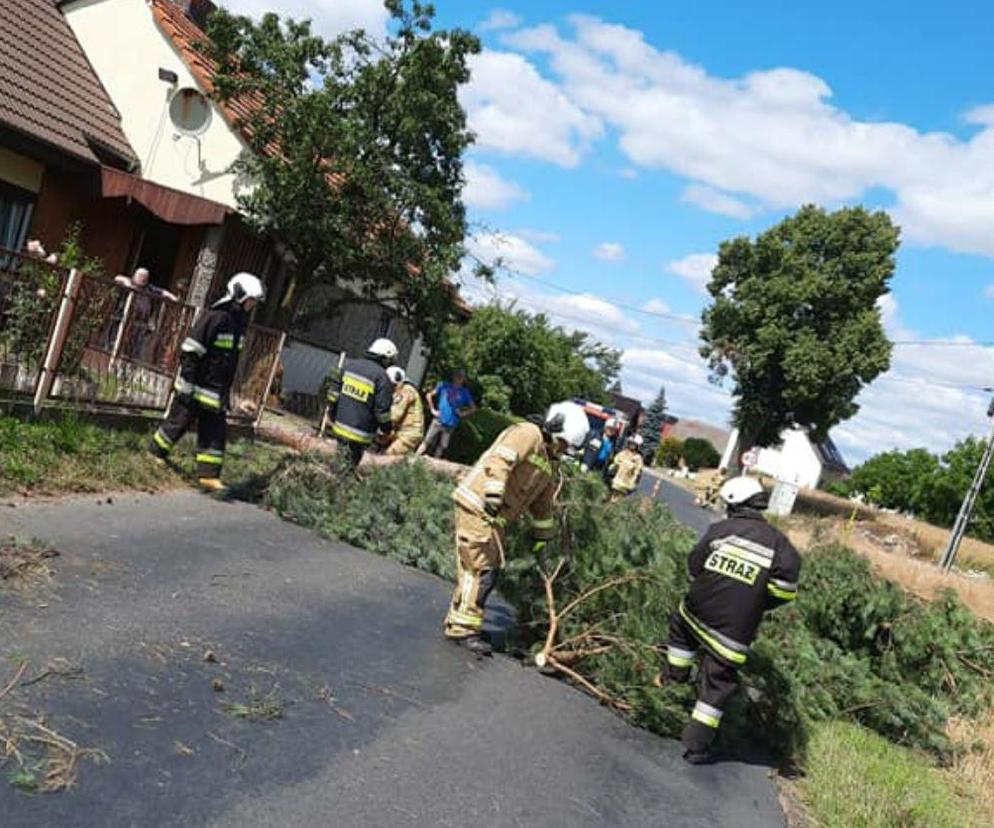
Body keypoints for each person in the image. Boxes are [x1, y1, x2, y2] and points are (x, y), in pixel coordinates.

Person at [657, 476, 801, 764]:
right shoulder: (780, 545)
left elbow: (694, 565)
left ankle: (674, 681)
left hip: (696, 611)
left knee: (681, 634)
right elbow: (785, 591)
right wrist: (755, 601)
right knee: (717, 683)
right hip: (734, 631)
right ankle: (696, 745)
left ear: (733, 503)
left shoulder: (721, 530)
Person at [444, 401, 590, 656]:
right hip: (478, 505)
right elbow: (500, 461)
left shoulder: (549, 459)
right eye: (564, 443)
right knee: (479, 569)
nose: (563, 450)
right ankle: (462, 629)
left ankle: (465, 623)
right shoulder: (527, 434)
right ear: (556, 430)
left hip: (495, 518)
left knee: (487, 570)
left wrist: (543, 536)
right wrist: (493, 496)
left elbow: (543, 502)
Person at [149, 272, 264, 492]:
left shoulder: (237, 323)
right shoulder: (216, 317)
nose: (253, 305)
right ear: (239, 295)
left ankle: (208, 476)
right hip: (197, 384)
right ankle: (155, 452)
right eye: (251, 300)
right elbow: (191, 350)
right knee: (179, 421)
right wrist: (188, 383)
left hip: (216, 389)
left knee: (215, 431)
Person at [325, 338, 396, 468]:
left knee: (340, 459)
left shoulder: (349, 366)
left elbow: (333, 393)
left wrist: (332, 412)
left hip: (340, 426)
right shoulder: (382, 377)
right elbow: (382, 411)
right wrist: (387, 429)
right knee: (349, 466)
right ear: (385, 357)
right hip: (360, 434)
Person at [417, 369, 477, 458]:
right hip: (439, 420)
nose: (459, 379)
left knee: (442, 446)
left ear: (464, 379)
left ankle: (434, 464)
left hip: (451, 423)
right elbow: (429, 395)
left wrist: (463, 414)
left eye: (461, 377)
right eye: (457, 376)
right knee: (426, 441)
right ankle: (413, 459)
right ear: (453, 376)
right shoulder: (444, 386)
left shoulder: (464, 392)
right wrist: (432, 409)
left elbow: (473, 408)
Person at [382, 366, 425, 456]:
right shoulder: (404, 390)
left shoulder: (406, 391)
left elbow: (395, 415)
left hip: (409, 434)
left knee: (389, 456)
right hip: (402, 431)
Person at [607, 434, 645, 502]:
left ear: (637, 446)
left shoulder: (638, 458)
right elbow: (614, 463)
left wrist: (632, 484)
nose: (631, 445)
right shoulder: (623, 453)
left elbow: (637, 472)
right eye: (630, 443)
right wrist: (610, 472)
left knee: (618, 502)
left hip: (625, 486)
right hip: (615, 483)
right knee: (609, 500)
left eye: (634, 444)